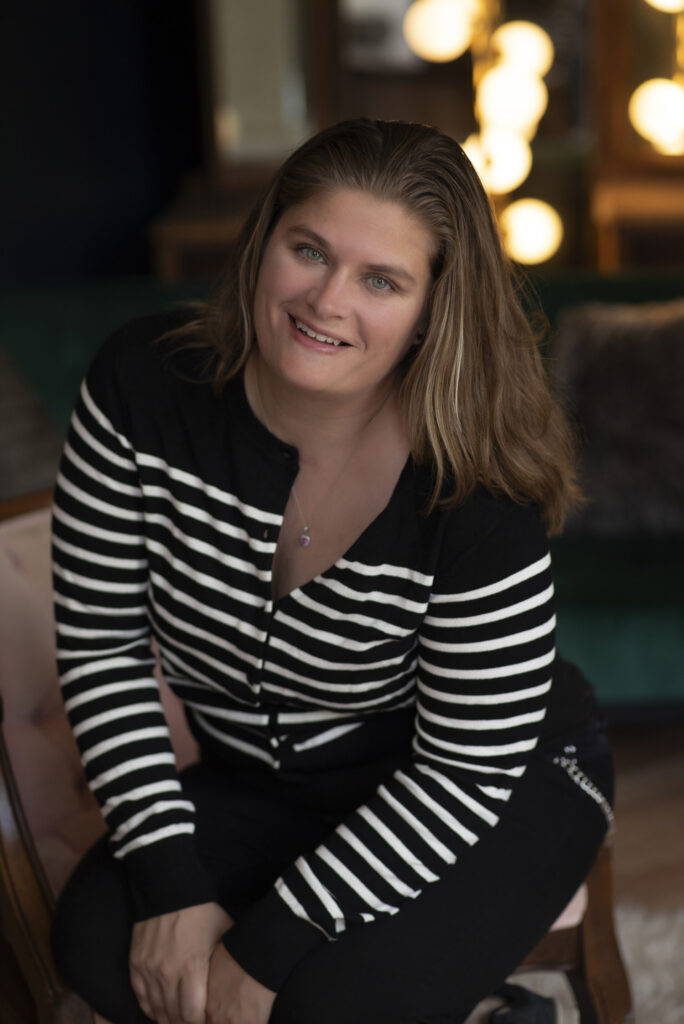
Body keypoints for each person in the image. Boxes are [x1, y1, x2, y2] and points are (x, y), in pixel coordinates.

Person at [50, 118, 614, 1024]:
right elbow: (103, 645)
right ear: (264, 240)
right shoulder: (141, 389)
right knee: (97, 941)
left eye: (380, 279)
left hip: (487, 783)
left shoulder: (477, 488)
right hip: (261, 779)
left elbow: (463, 774)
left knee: (317, 1003)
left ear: (433, 309)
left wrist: (269, 945)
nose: (325, 300)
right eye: (308, 250)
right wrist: (168, 885)